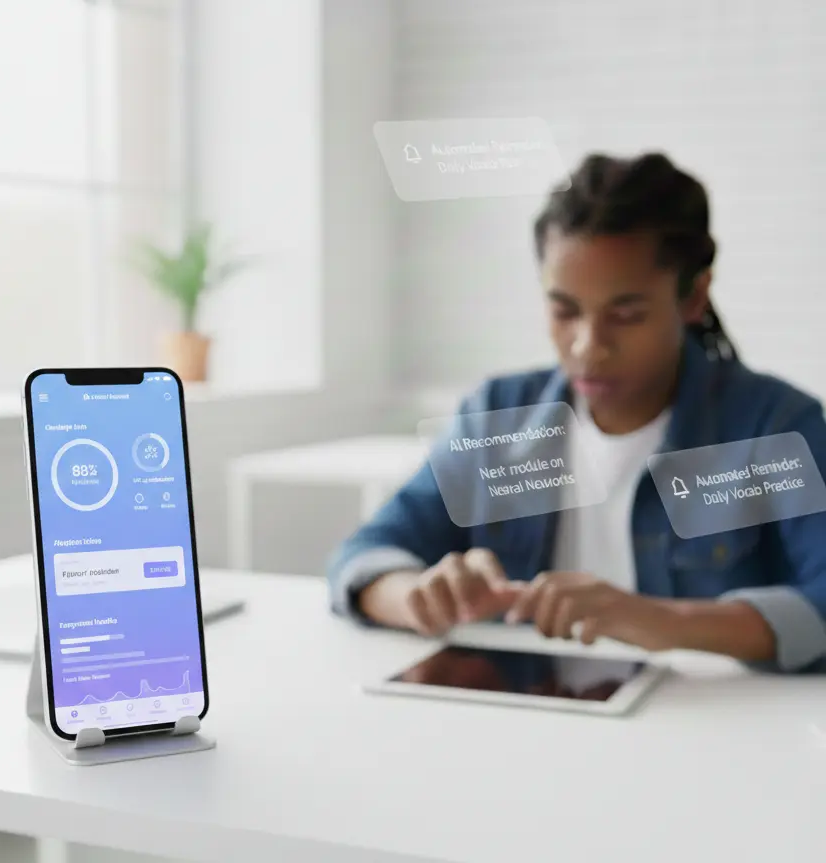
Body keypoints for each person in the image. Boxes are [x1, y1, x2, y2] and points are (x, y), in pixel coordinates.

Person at [328, 152, 826, 673]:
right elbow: (365, 555)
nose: (588, 347)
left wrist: (666, 622)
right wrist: (418, 596)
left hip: (701, 737)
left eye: (626, 315)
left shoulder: (774, 429)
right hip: (527, 728)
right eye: (564, 311)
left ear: (693, 296)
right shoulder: (496, 416)